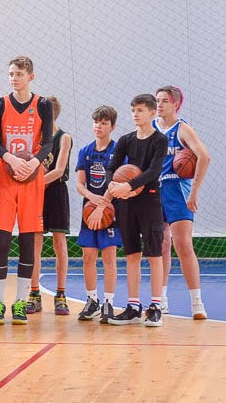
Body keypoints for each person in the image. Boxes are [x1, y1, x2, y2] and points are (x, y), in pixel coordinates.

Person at [89, 94, 167, 327]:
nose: (135, 114)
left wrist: (129, 185)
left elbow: (154, 171)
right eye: (133, 110)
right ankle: (133, 306)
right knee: (132, 254)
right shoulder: (125, 139)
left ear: (152, 113)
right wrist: (115, 185)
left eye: (141, 110)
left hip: (150, 201)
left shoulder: (159, 141)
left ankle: (155, 306)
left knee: (154, 255)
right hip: (126, 202)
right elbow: (112, 168)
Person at [0, 56, 53, 326]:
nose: (14, 78)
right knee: (1, 241)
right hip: (5, 174)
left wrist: (33, 163)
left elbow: (47, 142)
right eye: (11, 73)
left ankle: (21, 303)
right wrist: (13, 160)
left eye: (19, 74)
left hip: (31, 177)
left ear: (31, 77)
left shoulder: (43, 105)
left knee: (27, 241)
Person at [153, 86, 209, 319]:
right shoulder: (151, 129)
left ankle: (197, 302)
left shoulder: (182, 129)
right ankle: (161, 300)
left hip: (177, 190)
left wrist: (194, 192)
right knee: (161, 246)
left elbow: (204, 157)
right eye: (157, 101)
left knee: (183, 245)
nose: (160, 105)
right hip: (154, 191)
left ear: (176, 104)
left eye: (165, 101)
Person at [75, 106, 121, 323]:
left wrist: (103, 204)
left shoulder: (119, 151)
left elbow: (117, 182)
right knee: (88, 257)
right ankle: (92, 300)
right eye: (96, 122)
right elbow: (79, 184)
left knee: (109, 257)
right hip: (90, 210)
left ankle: (109, 302)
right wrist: (92, 199)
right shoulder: (85, 151)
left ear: (112, 126)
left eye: (103, 123)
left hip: (110, 211)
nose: (98, 126)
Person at [27, 96, 72, 316]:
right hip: (35, 194)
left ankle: (61, 294)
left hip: (55, 192)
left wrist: (33, 183)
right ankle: (34, 294)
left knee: (59, 241)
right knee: (35, 241)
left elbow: (59, 170)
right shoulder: (35, 138)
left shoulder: (64, 138)